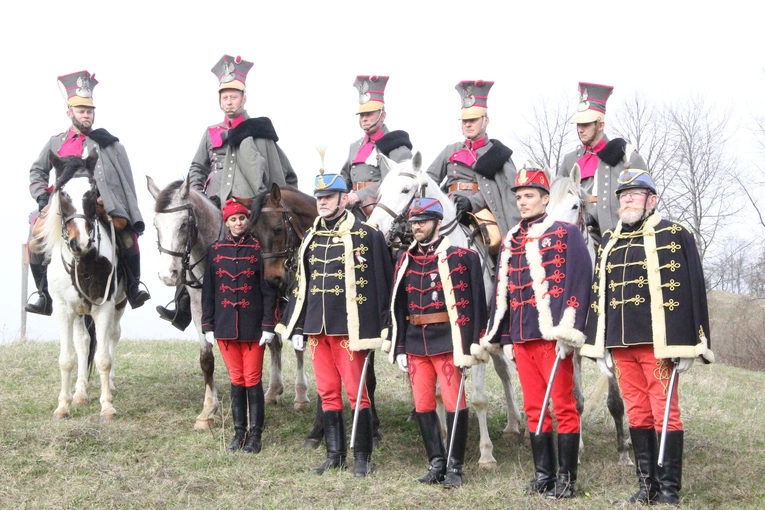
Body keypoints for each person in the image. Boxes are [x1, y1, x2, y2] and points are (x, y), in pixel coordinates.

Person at [580, 169, 714, 506]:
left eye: (635, 194)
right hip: (620, 346)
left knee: (665, 413)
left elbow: (693, 288)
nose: (627, 199)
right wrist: (599, 346)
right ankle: (647, 486)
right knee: (637, 414)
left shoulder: (675, 234)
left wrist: (694, 342)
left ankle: (669, 491)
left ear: (651, 200)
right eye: (623, 195)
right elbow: (599, 294)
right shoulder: (608, 241)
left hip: (660, 344)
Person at [158, 54, 298, 330]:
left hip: (250, 210)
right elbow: (197, 166)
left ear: (244, 99)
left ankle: (279, 303)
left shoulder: (259, 132)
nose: (229, 101)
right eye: (225, 97)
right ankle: (183, 304)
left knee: (265, 254)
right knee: (189, 244)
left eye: (234, 96)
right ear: (219, 101)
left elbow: (285, 174)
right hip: (213, 205)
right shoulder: (210, 132)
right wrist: (197, 193)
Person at [480, 162, 592, 499]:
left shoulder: (566, 233)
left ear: (545, 199)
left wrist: (569, 333)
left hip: (553, 337)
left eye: (530, 195)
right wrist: (505, 338)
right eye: (520, 196)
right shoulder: (512, 238)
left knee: (562, 404)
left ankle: (567, 479)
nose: (523, 201)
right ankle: (543, 475)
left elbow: (580, 282)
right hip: (521, 337)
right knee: (534, 407)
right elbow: (504, 292)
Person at [275, 169, 393, 477]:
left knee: (357, 393)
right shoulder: (311, 237)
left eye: (328, 197)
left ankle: (363, 457)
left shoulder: (367, 235)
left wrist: (383, 328)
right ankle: (335, 454)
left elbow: (382, 284)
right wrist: (297, 325)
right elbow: (301, 284)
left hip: (349, 330)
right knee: (327, 391)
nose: (323, 202)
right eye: (319, 197)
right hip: (316, 328)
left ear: (344, 198)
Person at [27, 70, 150, 314]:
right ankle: (43, 295)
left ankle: (134, 286)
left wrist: (111, 200)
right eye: (81, 111)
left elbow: (120, 179)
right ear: (69, 113)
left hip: (100, 204)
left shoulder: (107, 143)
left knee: (126, 236)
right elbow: (37, 171)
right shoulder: (55, 142)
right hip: (64, 206)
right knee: (35, 238)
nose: (86, 115)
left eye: (89, 111)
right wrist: (43, 197)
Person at [386, 197, 487, 489]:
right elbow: (398, 306)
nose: (417, 227)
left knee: (456, 402)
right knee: (423, 404)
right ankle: (436, 462)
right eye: (414, 222)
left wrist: (472, 344)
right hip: (416, 341)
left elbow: (477, 304)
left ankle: (455, 466)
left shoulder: (463, 256)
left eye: (423, 222)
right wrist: (400, 345)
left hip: (448, 340)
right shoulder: (404, 259)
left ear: (438, 223)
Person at [201, 197, 278, 453]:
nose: (237, 223)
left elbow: (268, 291)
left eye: (241, 218)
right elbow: (209, 292)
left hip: (254, 328)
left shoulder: (259, 249)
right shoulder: (215, 251)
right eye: (233, 219)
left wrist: (269, 325)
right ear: (226, 222)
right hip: (224, 328)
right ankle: (238, 434)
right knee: (236, 379)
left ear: (248, 221)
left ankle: (255, 435)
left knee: (252, 379)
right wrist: (208, 325)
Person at [426, 80, 519, 255]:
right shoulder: (449, 150)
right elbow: (428, 180)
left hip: (481, 212)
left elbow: (507, 192)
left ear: (486, 121)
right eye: (464, 121)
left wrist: (472, 202)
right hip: (448, 206)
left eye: (473, 120)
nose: (468, 124)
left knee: (494, 245)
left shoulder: (498, 154)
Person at [557, 82, 647, 238]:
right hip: (576, 236)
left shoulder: (626, 157)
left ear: (600, 125)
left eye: (585, 125)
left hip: (618, 237)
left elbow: (644, 201)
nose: (580, 129)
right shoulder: (570, 160)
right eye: (579, 125)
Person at [341, 75, 412, 220]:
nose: (364, 119)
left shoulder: (395, 144)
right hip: (354, 208)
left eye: (369, 114)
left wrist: (359, 195)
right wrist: (332, 191)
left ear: (383, 116)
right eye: (361, 115)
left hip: (383, 210)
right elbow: (345, 177)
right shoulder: (355, 146)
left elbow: (397, 182)